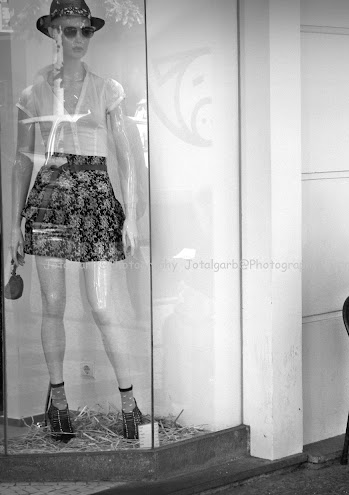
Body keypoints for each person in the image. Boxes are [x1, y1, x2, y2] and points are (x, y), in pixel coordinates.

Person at [9, 0, 142, 442]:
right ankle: (59, 401)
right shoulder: (32, 93)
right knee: (53, 304)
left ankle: (129, 401)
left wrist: (131, 215)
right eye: (69, 30)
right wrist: (13, 225)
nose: (79, 39)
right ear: (53, 33)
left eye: (85, 30)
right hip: (49, 200)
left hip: (96, 199)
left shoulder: (107, 90)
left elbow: (126, 156)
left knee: (102, 305)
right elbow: (21, 162)